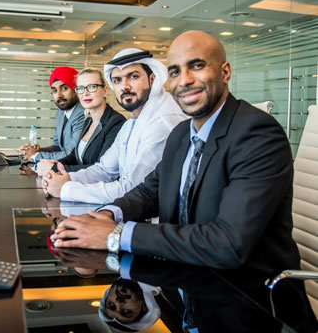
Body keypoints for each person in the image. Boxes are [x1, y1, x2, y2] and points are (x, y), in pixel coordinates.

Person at [50, 30, 305, 275]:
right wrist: (105, 215)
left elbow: (228, 243)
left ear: (225, 72)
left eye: (197, 66)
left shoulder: (258, 134)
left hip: (243, 292)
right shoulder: (182, 133)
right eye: (175, 72)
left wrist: (115, 234)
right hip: (184, 273)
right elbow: (149, 192)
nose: (184, 81)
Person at [42, 48, 186, 204]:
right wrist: (64, 178)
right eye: (117, 80)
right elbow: (104, 170)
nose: (125, 86)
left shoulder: (161, 122)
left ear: (152, 79)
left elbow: (133, 190)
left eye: (133, 76)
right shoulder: (131, 123)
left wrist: (65, 189)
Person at [35, 68, 126, 176]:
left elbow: (100, 169)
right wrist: (54, 163)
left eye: (92, 87)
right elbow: (74, 156)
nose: (85, 93)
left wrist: (54, 168)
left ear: (105, 91)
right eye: (80, 88)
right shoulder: (88, 120)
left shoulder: (116, 122)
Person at [19, 66, 85, 163]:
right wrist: (36, 151)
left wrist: (35, 156)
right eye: (54, 90)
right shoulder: (60, 113)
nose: (59, 95)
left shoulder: (83, 113)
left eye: (64, 88)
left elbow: (71, 154)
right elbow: (58, 147)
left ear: (76, 89)